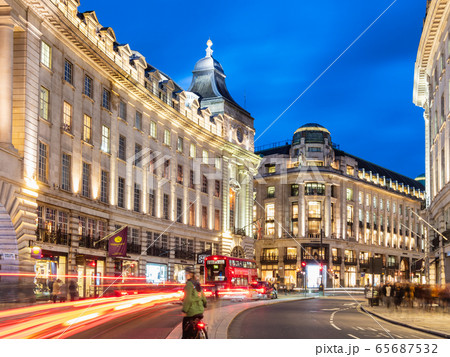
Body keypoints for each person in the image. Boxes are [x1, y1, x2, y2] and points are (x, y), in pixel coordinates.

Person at [182, 267, 207, 339]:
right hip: (200, 311)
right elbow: (203, 297)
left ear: (190, 274)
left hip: (192, 312)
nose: (185, 275)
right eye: (185, 273)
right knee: (195, 326)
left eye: (186, 273)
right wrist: (205, 304)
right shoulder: (197, 284)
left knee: (185, 323)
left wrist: (184, 310)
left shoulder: (189, 285)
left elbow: (188, 299)